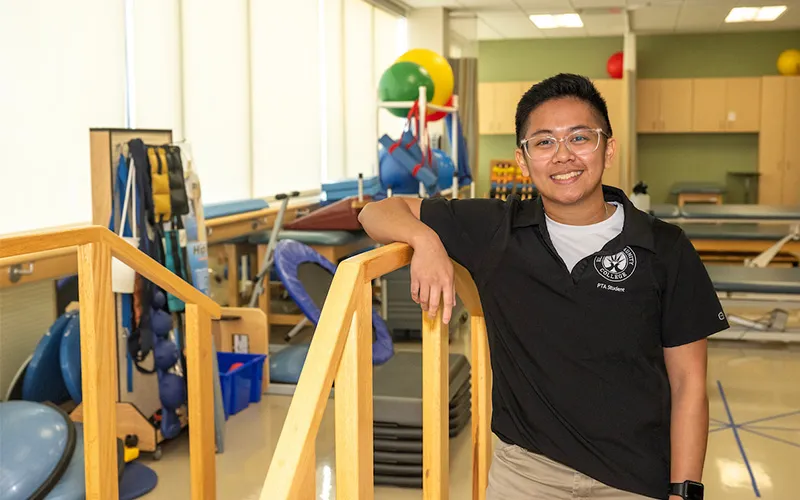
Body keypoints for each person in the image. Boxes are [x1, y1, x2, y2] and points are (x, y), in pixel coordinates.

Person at [358, 73, 727, 500]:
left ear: (608, 148)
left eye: (580, 138)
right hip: (527, 473)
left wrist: (684, 490)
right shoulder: (498, 229)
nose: (563, 156)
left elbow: (688, 385)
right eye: (544, 142)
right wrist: (426, 241)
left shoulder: (665, 248)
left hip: (633, 476)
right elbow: (377, 211)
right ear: (522, 158)